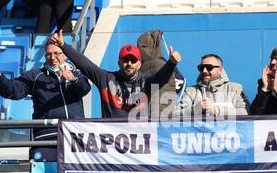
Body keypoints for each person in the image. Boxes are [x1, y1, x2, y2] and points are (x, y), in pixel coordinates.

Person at [0, 40, 91, 161]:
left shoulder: (76, 73)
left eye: (56, 53)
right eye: (48, 54)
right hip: (45, 136)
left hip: (74, 135)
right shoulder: (35, 75)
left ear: (65, 54)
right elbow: (11, 91)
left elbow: (85, 89)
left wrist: (73, 80)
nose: (52, 57)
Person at [49, 29, 181, 119]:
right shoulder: (106, 79)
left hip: (142, 146)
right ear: (119, 63)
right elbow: (85, 65)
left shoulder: (146, 82)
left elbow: (161, 78)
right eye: (125, 60)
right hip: (113, 148)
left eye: (133, 60)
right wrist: (63, 45)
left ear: (140, 64)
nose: (129, 63)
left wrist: (171, 63)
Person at [172, 53, 250, 118]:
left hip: (228, 135)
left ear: (220, 70)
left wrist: (218, 110)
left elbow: (246, 112)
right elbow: (175, 114)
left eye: (209, 67)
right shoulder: (191, 91)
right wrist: (197, 108)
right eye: (201, 68)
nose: (204, 71)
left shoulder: (234, 88)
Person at [137, 29, 186, 118]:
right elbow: (179, 82)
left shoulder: (138, 67)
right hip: (164, 113)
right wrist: (171, 63)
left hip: (144, 116)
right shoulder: (162, 63)